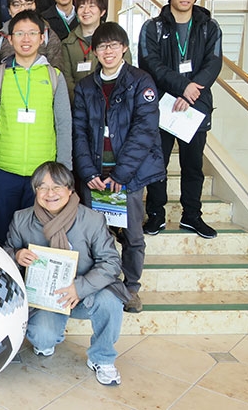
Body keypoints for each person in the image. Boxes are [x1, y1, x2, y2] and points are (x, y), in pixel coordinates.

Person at [6, 161, 129, 386]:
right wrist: (16, 254)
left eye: (57, 187)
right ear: (35, 191)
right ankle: (49, 334)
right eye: (42, 187)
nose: (49, 193)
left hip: (84, 292)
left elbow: (111, 262)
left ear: (70, 189)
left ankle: (102, 358)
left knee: (111, 301)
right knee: (42, 341)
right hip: (46, 298)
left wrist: (79, 288)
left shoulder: (91, 220)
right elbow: (4, 253)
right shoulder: (22, 219)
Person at [73, 22, 165, 313]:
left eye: (113, 45)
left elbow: (145, 130)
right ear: (95, 51)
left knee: (133, 237)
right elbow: (78, 133)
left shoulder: (141, 81)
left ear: (124, 47)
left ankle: (131, 287)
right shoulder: (86, 86)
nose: (108, 51)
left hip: (129, 178)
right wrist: (88, 173)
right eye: (102, 46)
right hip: (96, 178)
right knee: (95, 235)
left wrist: (121, 175)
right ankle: (100, 283)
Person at [139, 0, 223, 239]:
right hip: (163, 106)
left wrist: (192, 91)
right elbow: (150, 62)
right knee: (156, 165)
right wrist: (181, 87)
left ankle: (192, 216)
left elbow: (214, 62)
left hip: (196, 106)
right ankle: (155, 215)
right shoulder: (153, 27)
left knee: (193, 166)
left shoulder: (210, 27)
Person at [0, 10, 72, 246]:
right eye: (19, 33)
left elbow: (64, 126)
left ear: (42, 38)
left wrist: (63, 171)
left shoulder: (54, 76)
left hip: (43, 174)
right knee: (1, 231)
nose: (26, 39)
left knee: (37, 235)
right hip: (4, 171)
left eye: (32, 33)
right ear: (9, 39)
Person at [60, 0, 131, 102]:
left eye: (92, 6)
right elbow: (67, 80)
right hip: (80, 104)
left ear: (102, 12)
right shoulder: (67, 43)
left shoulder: (116, 38)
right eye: (82, 6)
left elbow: (126, 73)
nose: (86, 11)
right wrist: (83, 102)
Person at [0, 0, 63, 72]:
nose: (23, 9)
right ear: (9, 10)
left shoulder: (48, 35)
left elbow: (56, 72)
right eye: (17, 5)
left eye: (28, 4)